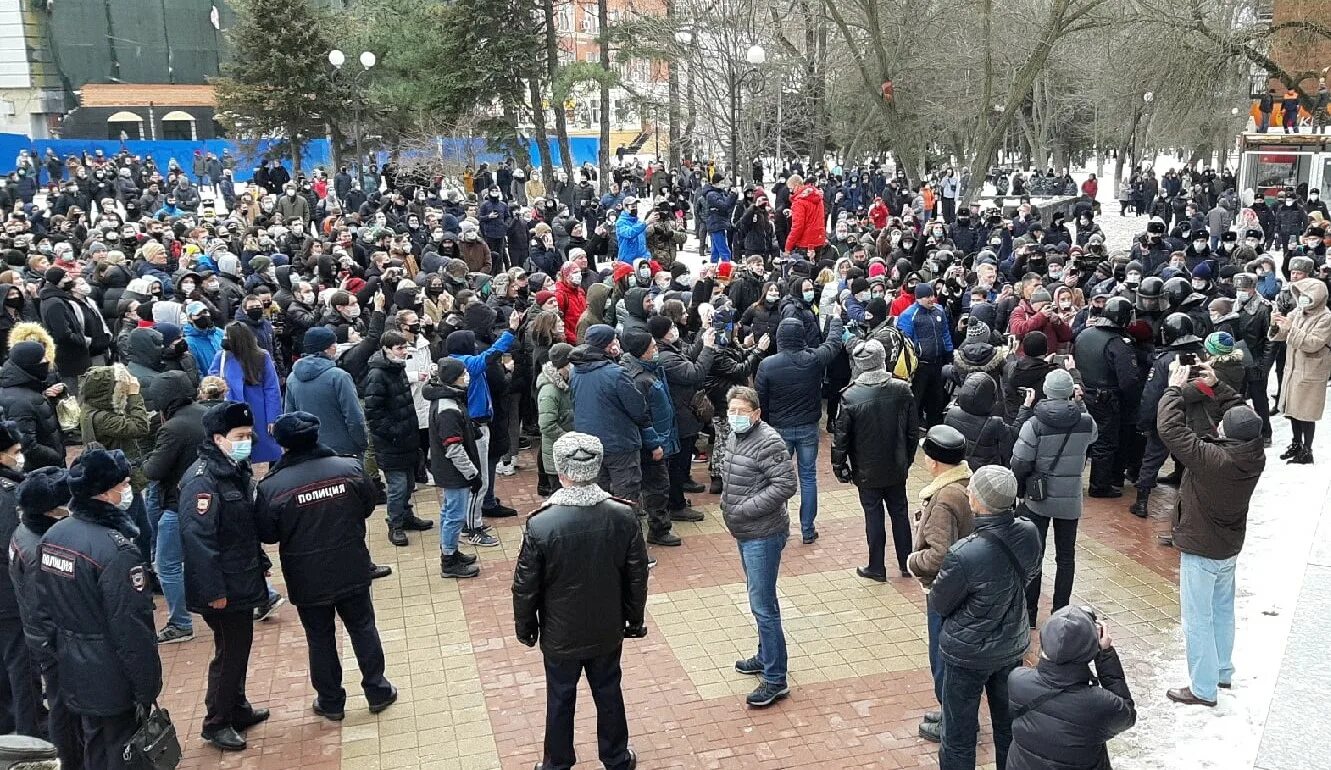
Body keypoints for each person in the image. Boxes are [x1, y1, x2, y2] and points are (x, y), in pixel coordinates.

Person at [512, 432, 650, 770]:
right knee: (608, 690)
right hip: (606, 627)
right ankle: (616, 757)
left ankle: (556, 763)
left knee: (560, 697)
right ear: (597, 468)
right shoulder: (623, 515)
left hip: (560, 633)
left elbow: (524, 586)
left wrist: (526, 628)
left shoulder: (541, 523)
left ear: (561, 473)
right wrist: (633, 620)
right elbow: (636, 575)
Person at [255, 413, 397, 721]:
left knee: (320, 638)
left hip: (307, 577)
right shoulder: (349, 468)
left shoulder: (272, 486)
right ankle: (378, 690)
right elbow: (368, 505)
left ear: (282, 445)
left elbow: (267, 533)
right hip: (352, 566)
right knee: (363, 628)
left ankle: (331, 702)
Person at [32, 449, 161, 768]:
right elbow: (131, 627)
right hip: (111, 671)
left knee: (94, 743)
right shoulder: (116, 550)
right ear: (105, 491)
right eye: (124, 483)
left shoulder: (54, 535)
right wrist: (147, 685)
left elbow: (42, 605)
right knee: (122, 747)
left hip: (74, 664)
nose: (128, 488)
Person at [1157, 361, 1265, 707]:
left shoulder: (1213, 460)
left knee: (1197, 618)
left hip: (1202, 549)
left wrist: (1173, 389)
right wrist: (1217, 385)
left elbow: (1171, 430)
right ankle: (1222, 670)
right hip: (1229, 545)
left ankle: (1203, 688)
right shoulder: (1252, 453)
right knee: (1222, 610)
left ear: (1227, 432)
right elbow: (1240, 412)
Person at [929, 465, 1041, 770]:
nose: (967, 492)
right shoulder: (1029, 532)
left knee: (958, 737)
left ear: (979, 502)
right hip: (1011, 646)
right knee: (1008, 729)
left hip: (967, 655)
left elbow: (940, 603)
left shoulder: (964, 553)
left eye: (972, 491)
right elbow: (1030, 573)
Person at [179, 402, 271, 751]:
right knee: (230, 652)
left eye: (249, 435)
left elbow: (240, 527)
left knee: (238, 648)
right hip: (223, 586)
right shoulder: (203, 481)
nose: (246, 441)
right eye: (239, 436)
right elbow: (198, 540)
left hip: (240, 576)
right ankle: (216, 721)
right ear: (218, 438)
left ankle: (237, 707)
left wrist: (258, 558)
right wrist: (214, 591)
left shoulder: (234, 469)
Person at [719, 386, 798, 708]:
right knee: (758, 599)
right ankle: (765, 655)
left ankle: (776, 678)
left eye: (742, 411)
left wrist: (743, 508)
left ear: (756, 413)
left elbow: (786, 484)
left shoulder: (768, 440)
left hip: (762, 534)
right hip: (745, 531)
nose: (735, 417)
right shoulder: (736, 436)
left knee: (763, 606)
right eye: (731, 411)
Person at [1011, 369, 1097, 628]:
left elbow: (1020, 461)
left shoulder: (1034, 424)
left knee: (1035, 555)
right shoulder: (1085, 422)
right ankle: (1060, 612)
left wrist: (1020, 488)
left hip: (1038, 497)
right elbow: (1093, 437)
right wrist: (1080, 403)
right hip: (1070, 500)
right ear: (1071, 391)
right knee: (1066, 557)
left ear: (1046, 392)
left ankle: (1031, 613)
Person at [905, 425, 973, 743]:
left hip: (943, 591)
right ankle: (951, 712)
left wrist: (912, 562)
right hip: (963, 587)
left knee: (942, 657)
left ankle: (954, 721)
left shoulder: (945, 498)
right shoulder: (965, 483)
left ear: (934, 462)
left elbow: (937, 556)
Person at [1006, 606, 1137, 769]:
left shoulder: (1017, 680)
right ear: (1091, 648)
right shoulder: (1099, 703)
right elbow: (1127, 715)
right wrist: (1105, 654)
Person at [832, 340, 920, 581]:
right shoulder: (902, 389)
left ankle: (877, 567)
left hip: (866, 469)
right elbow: (913, 432)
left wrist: (839, 467)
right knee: (900, 512)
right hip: (896, 464)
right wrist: (908, 458)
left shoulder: (850, 396)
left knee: (874, 515)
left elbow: (841, 437)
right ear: (883, 360)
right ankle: (907, 563)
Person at [10, 466, 81, 763]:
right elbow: (48, 606)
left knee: (61, 705)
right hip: (54, 643)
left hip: (41, 637)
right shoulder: (41, 548)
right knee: (64, 711)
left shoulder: (23, 531)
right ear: (53, 511)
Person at [755, 312, 844, 544]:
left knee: (778, 480)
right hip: (807, 427)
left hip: (778, 429)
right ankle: (807, 529)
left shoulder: (767, 365)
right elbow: (833, 343)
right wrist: (835, 318)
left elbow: (760, 400)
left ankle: (780, 529)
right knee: (808, 477)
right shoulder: (813, 359)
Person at [141, 371, 215, 644]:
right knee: (219, 552)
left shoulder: (171, 428)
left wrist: (147, 457)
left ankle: (180, 622)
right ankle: (265, 596)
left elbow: (154, 469)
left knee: (167, 564)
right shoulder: (206, 414)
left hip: (177, 505)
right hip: (210, 498)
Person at [364, 331, 434, 546]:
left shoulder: (398, 369)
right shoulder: (378, 375)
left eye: (405, 348)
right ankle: (394, 524)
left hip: (407, 439)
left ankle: (406, 516)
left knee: (409, 482)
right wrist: (394, 432)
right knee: (398, 486)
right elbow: (373, 413)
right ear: (386, 349)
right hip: (391, 443)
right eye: (399, 349)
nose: (404, 353)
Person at [1074, 297, 1141, 498]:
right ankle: (1100, 485)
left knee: (1081, 441)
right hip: (1106, 399)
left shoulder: (1084, 335)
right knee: (1105, 441)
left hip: (1084, 395)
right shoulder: (1118, 343)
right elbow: (1129, 380)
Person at [425, 359, 484, 578]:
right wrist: (472, 474)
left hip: (447, 470)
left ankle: (450, 551)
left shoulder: (446, 399)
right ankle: (449, 561)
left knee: (449, 511)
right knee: (455, 515)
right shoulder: (447, 409)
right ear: (453, 378)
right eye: (463, 374)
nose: (466, 377)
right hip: (454, 472)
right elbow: (454, 449)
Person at [0, 421, 39, 737]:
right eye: (14, 451)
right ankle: (30, 728)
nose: (20, 456)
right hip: (9, 595)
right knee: (22, 663)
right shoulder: (8, 495)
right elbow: (12, 547)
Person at [283, 326, 369, 459]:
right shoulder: (339, 377)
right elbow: (354, 417)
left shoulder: (292, 378)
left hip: (309, 450)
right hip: (344, 451)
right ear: (327, 348)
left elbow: (290, 417)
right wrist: (362, 443)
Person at [1270, 277, 1331, 464]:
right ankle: (1296, 443)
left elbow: (1313, 343)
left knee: (1306, 412)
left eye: (1307, 295)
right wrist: (1275, 324)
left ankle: (1307, 449)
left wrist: (1291, 330)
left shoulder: (1326, 317)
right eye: (1301, 295)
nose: (1303, 298)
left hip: (1312, 370)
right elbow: (1280, 334)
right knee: (1292, 410)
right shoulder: (1297, 312)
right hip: (1293, 367)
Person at [209, 322, 283, 472]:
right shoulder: (222, 357)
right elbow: (212, 378)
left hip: (258, 411)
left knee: (265, 450)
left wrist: (273, 418)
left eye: (227, 336)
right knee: (236, 449)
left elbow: (271, 389)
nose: (224, 339)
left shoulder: (262, 356)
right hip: (230, 410)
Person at [898, 284, 954, 429]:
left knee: (936, 399)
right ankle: (911, 430)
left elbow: (945, 333)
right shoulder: (909, 315)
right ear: (918, 298)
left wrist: (949, 353)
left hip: (937, 363)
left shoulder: (939, 311)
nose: (931, 299)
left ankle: (934, 429)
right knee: (916, 399)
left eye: (931, 296)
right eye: (926, 297)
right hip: (920, 365)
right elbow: (905, 341)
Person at [535, 343, 575, 496]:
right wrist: (567, 438)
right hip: (557, 456)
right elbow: (546, 424)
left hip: (566, 453)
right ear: (563, 365)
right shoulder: (550, 391)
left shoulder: (566, 383)